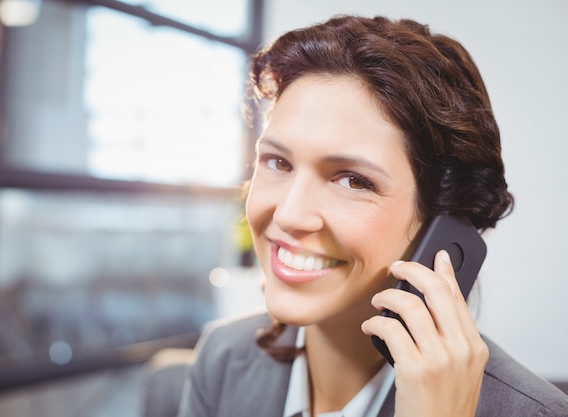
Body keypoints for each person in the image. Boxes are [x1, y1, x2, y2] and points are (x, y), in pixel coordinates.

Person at [176, 14, 568, 417]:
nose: (291, 215)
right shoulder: (222, 359)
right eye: (278, 162)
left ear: (445, 224)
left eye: (353, 181)